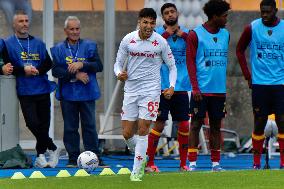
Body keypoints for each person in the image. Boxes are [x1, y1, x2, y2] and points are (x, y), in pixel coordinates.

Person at [114, 8, 177, 181]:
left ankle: (137, 171)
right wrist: (119, 74)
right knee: (127, 133)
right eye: (145, 22)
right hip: (131, 90)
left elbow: (172, 66)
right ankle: (142, 155)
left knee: (143, 129)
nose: (148, 26)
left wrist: (171, 86)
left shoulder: (161, 42)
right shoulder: (128, 39)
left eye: (151, 23)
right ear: (139, 22)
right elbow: (117, 64)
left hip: (151, 90)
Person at [2, 10, 60, 168]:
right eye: (21, 21)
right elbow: (8, 66)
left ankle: (41, 156)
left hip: (42, 88)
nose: (25, 24)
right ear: (14, 24)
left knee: (44, 124)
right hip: (25, 90)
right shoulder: (7, 43)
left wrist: (38, 70)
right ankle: (53, 147)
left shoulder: (39, 43)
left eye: (26, 20)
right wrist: (23, 70)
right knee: (32, 123)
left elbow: (48, 63)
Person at [236, 0, 284, 169]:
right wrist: (248, 76)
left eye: (268, 12)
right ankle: (256, 163)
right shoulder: (252, 27)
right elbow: (239, 50)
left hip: (280, 83)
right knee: (260, 121)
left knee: (282, 121)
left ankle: (283, 163)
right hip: (260, 84)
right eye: (262, 12)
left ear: (275, 11)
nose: (264, 15)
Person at [51, 16, 103, 167]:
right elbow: (56, 70)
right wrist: (75, 74)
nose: (75, 32)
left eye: (77, 29)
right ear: (65, 30)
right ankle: (73, 158)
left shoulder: (90, 46)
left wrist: (82, 64)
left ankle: (94, 157)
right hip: (68, 94)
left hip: (87, 93)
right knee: (70, 127)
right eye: (71, 29)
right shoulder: (59, 48)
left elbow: (98, 66)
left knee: (90, 126)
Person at [145, 3, 191, 173]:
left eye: (172, 12)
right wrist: (167, 35)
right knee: (158, 124)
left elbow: (196, 48)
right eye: (166, 13)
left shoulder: (187, 33)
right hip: (162, 86)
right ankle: (150, 164)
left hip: (181, 86)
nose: (170, 15)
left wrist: (183, 35)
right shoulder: (157, 33)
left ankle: (183, 164)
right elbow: (151, 50)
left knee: (184, 125)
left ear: (177, 13)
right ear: (163, 17)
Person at [186, 0, 230, 172]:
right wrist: (195, 87)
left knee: (216, 127)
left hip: (219, 90)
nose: (227, 19)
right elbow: (190, 63)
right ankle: (192, 164)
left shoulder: (226, 34)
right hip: (201, 91)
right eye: (224, 16)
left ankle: (216, 164)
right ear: (215, 16)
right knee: (195, 125)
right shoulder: (195, 35)